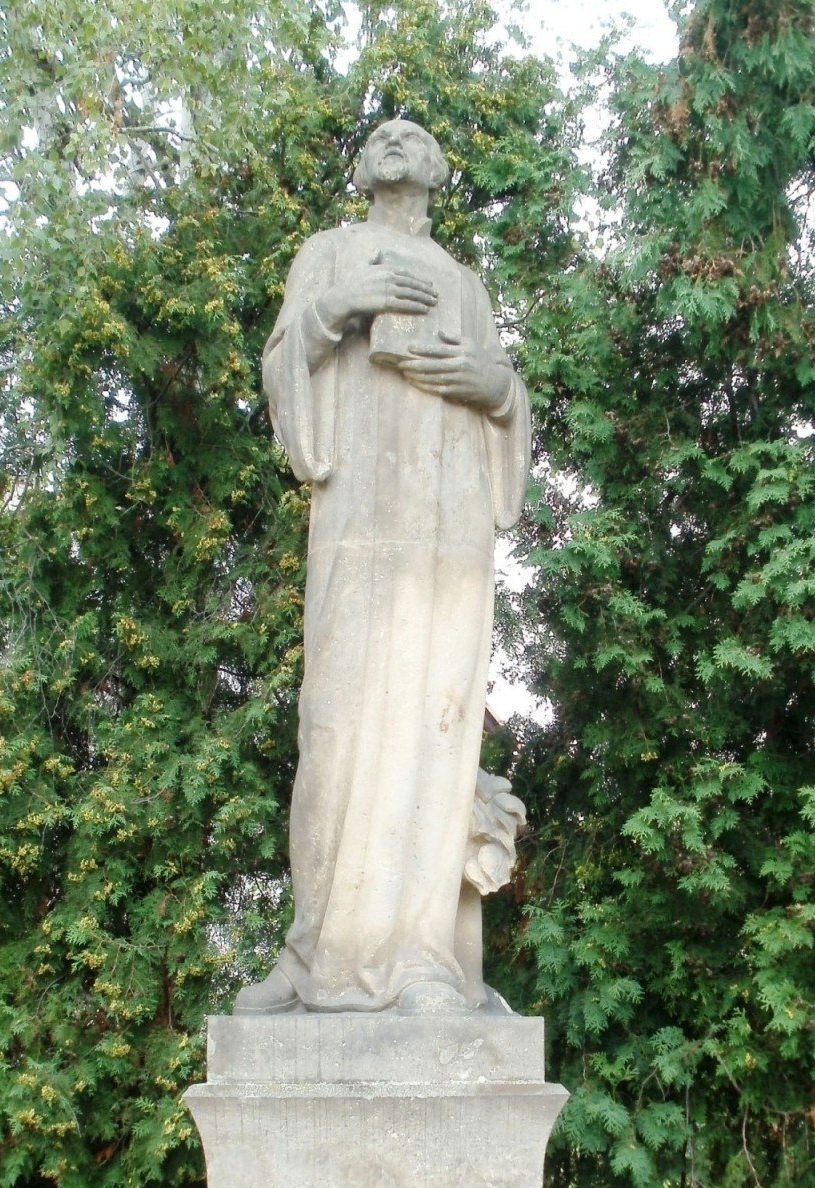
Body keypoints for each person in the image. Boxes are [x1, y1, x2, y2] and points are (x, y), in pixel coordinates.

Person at [235, 118, 530, 1015]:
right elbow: (283, 367)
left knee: (432, 727)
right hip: (358, 524)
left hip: (446, 538)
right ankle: (315, 951)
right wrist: (338, 307)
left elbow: (506, 408)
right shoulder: (328, 252)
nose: (397, 140)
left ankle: (417, 961)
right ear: (362, 166)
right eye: (382, 134)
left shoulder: (467, 287)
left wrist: (496, 387)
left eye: (416, 136)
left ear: (440, 171)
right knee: (335, 725)